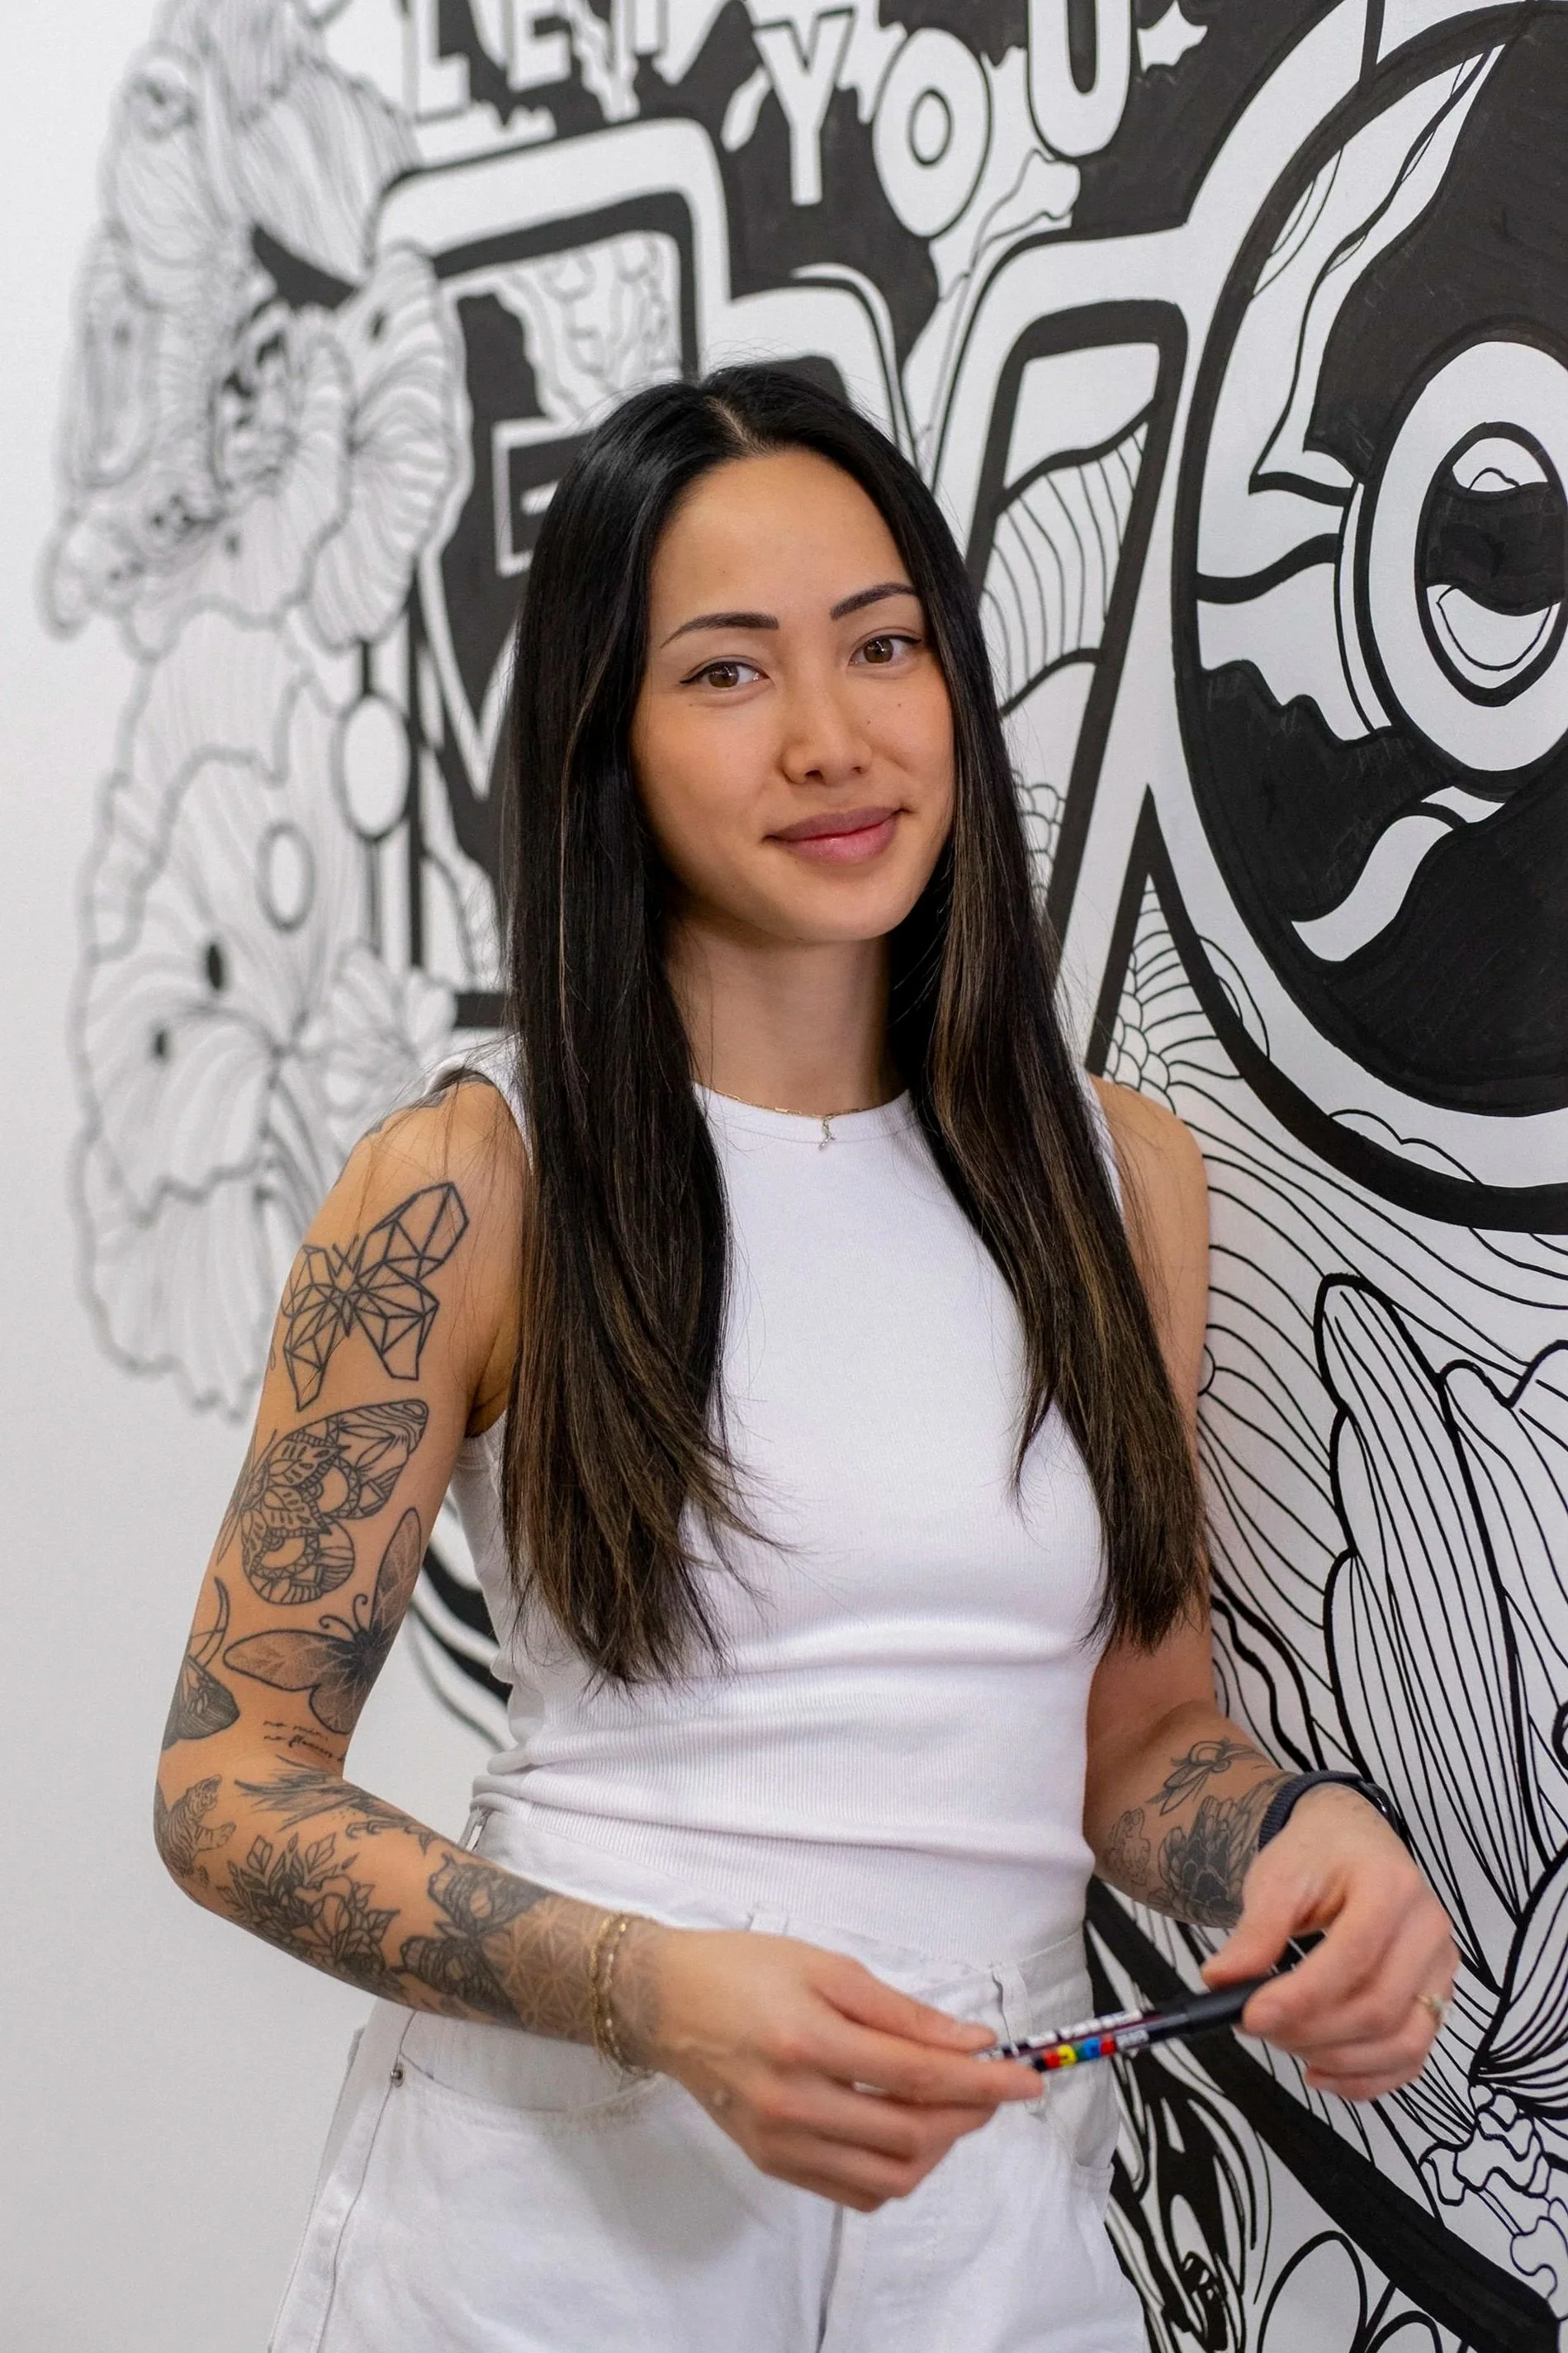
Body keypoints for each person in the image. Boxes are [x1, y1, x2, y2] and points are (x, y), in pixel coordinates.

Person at [154, 365, 1457, 2352]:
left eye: (880, 647)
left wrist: (1299, 1837)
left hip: (997, 2214)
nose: (833, 738)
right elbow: (230, 1780)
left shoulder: (1122, 1179)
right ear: (610, 735)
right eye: (729, 674)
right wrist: (654, 1989)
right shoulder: (471, 1181)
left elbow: (1131, 1734)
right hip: (558, 2218)